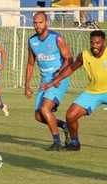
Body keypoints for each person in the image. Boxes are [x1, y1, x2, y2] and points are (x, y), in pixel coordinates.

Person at [25, 11, 73, 151]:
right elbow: (30, 64)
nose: (37, 25)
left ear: (46, 23)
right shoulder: (32, 41)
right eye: (35, 23)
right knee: (39, 116)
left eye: (40, 22)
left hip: (59, 78)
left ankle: (57, 142)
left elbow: (69, 59)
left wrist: (58, 74)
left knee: (45, 109)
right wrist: (27, 85)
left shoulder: (57, 38)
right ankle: (64, 126)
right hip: (45, 80)